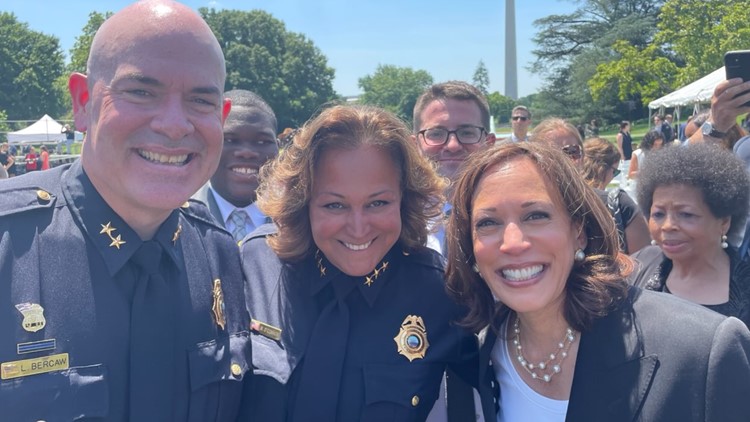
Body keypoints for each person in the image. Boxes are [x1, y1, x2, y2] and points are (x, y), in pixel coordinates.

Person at [0, 1, 251, 420]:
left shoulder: (220, 253)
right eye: (140, 91)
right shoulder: (9, 246)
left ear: (221, 118)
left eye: (201, 101)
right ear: (82, 102)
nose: (175, 124)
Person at [445, 141, 750, 421]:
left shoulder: (702, 350)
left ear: (578, 230)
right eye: (487, 223)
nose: (512, 243)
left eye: (536, 215)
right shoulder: (478, 353)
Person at [240, 104, 477, 422]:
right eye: (334, 205)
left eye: (378, 203)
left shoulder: (440, 292)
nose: (358, 228)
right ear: (304, 201)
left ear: (405, 199)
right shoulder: (257, 263)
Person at [412, 80, 494, 421]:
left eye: (467, 132)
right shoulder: (386, 221)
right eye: (437, 133)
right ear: (416, 143)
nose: (452, 144)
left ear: (488, 141)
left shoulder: (519, 222)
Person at [630, 144, 750, 326]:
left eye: (686, 214)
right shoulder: (638, 266)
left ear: (724, 222)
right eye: (658, 214)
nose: (668, 226)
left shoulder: (745, 286)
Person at [193, 89, 279, 242]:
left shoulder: (299, 223)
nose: (246, 153)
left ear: (278, 149)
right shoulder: (174, 215)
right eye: (230, 140)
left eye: (262, 142)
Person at [582, 137, 650, 254]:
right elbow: (643, 256)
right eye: (615, 172)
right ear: (602, 169)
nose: (613, 176)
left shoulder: (562, 198)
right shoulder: (618, 201)